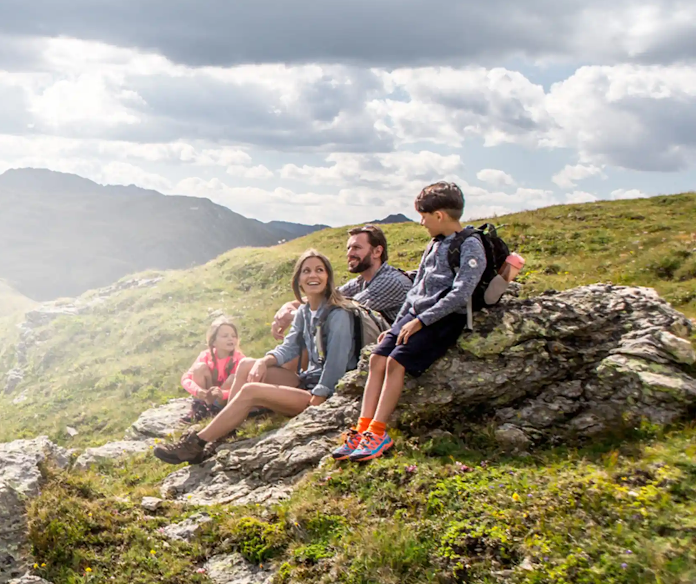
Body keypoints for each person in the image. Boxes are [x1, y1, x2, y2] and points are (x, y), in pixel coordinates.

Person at [154, 250, 358, 465]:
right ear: (298, 279)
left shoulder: (338, 314)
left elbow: (336, 363)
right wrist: (262, 362)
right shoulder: (304, 312)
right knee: (245, 364)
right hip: (308, 380)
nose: (312, 276)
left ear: (328, 277)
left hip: (328, 392)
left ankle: (196, 444)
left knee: (251, 391)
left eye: (319, 270)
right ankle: (224, 429)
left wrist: (319, 397)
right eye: (306, 271)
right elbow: (288, 349)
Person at [336, 181, 483, 462]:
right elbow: (417, 290)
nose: (421, 222)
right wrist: (395, 326)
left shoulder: (470, 245)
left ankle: (378, 433)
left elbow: (462, 292)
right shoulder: (434, 243)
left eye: (424, 216)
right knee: (377, 359)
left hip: (442, 319)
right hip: (413, 316)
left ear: (439, 215)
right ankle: (362, 428)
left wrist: (422, 321)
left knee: (395, 362)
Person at [271, 224, 411, 340]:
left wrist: (295, 315)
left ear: (377, 252)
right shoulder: (361, 281)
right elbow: (329, 297)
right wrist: (289, 305)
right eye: (348, 248)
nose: (349, 254)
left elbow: (342, 311)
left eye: (356, 248)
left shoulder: (391, 282)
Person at [180, 318, 244, 417]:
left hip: (224, 400)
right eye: (225, 336)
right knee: (199, 368)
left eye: (233, 336)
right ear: (213, 341)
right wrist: (197, 390)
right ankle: (200, 408)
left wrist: (223, 394)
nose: (231, 339)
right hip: (206, 395)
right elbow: (185, 378)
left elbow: (245, 387)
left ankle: (216, 410)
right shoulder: (205, 355)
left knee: (233, 378)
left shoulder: (240, 359)